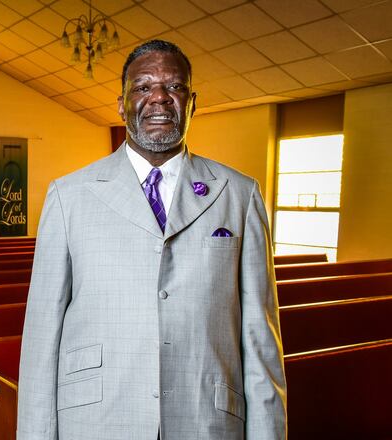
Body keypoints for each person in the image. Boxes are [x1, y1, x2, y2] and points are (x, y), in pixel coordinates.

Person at [17, 40, 287, 440]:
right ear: (122, 103)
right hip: (97, 419)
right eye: (143, 87)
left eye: (174, 87)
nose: (159, 97)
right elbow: (42, 338)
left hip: (205, 419)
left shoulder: (239, 194)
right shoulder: (68, 195)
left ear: (191, 102)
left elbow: (260, 339)